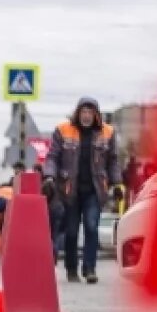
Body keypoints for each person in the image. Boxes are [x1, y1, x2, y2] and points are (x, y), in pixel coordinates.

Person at [43, 96, 122, 285]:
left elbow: (113, 160)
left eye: (90, 112)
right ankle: (71, 269)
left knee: (91, 226)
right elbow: (52, 157)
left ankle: (89, 269)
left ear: (96, 115)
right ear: (78, 113)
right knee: (71, 231)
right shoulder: (63, 130)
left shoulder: (108, 132)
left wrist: (117, 183)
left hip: (95, 190)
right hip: (69, 190)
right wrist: (49, 177)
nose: (86, 115)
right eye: (83, 112)